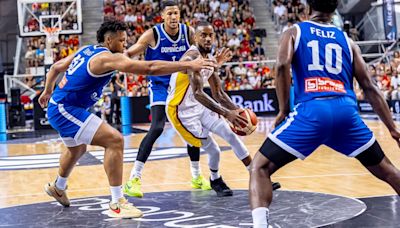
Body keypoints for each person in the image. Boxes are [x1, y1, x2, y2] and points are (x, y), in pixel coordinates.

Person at [39, 20, 215, 219]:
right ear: (109, 39)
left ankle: (58, 187)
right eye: (121, 40)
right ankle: (117, 202)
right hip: (65, 109)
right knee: (114, 140)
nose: (124, 44)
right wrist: (188, 64)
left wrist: (47, 91)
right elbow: (149, 68)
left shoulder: (87, 50)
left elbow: (55, 67)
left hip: (62, 105)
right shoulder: (106, 58)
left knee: (77, 148)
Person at [249, 0, 400, 227]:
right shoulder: (348, 42)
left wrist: (283, 110)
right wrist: (393, 128)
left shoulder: (295, 31)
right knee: (387, 170)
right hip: (346, 113)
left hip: (312, 111)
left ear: (308, 8)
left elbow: (281, 65)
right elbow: (369, 87)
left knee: (259, 167)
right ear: (334, 11)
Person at [166, 21, 280, 196]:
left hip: (199, 106)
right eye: (202, 35)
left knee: (231, 135)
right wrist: (227, 113)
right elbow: (198, 93)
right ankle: (215, 179)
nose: (207, 38)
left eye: (210, 35)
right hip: (181, 112)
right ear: (195, 38)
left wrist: (237, 112)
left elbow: (218, 93)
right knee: (214, 151)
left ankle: (257, 175)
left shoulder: (210, 60)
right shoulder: (191, 59)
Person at [123, 0, 209, 198]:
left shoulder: (188, 32)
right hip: (160, 87)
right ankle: (134, 178)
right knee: (157, 127)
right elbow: (131, 52)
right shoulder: (153, 34)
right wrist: (120, 60)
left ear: (180, 15)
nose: (173, 17)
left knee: (191, 128)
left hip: (181, 86)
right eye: (169, 14)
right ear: (162, 16)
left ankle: (196, 176)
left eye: (176, 13)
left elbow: (202, 50)